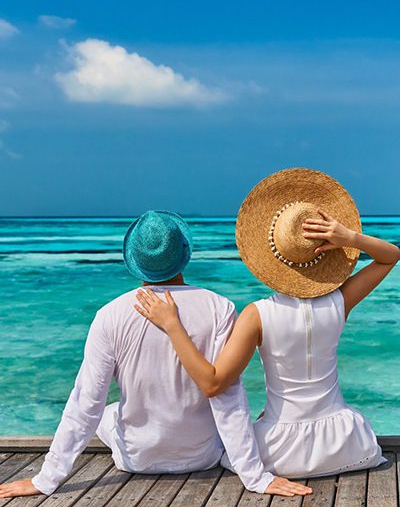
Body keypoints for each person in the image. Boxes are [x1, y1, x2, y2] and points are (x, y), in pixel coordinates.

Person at [0, 209, 312, 500]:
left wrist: (46, 479)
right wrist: (254, 476)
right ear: (184, 256)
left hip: (136, 459)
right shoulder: (220, 307)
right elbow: (227, 397)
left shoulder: (110, 315)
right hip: (201, 455)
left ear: (133, 260)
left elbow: (85, 404)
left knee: (104, 410)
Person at [135, 169, 400, 480]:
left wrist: (172, 325)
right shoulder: (339, 303)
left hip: (280, 452)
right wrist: (349, 238)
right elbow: (390, 256)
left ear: (271, 256)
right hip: (348, 444)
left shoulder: (257, 314)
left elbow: (213, 383)